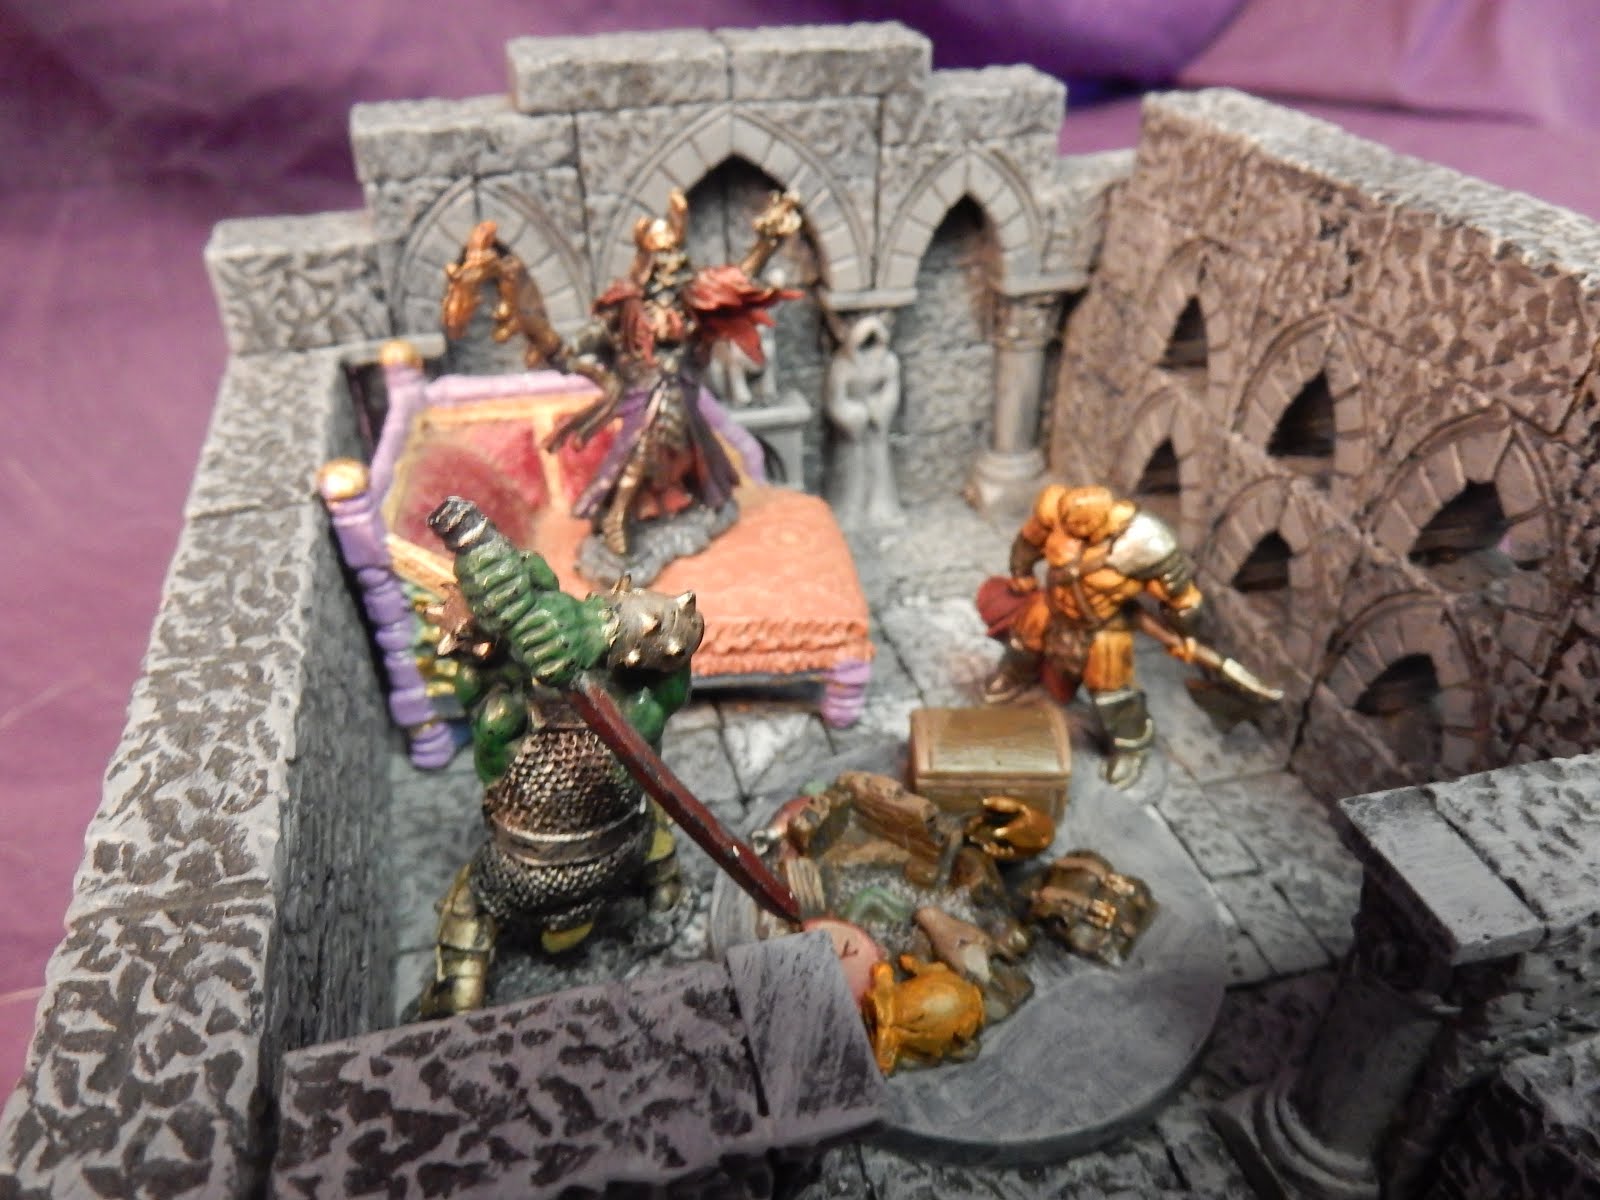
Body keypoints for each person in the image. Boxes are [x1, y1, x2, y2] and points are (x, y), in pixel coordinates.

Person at [979, 484, 1204, 787]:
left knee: (1111, 690)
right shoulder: (1054, 512)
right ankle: (1014, 678)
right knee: (1024, 638)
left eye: (1082, 525)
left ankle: (1131, 745)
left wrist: (1185, 634)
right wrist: (1022, 572)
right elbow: (1029, 540)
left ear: (1101, 519)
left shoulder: (1146, 543)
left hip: (1102, 625)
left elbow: (1181, 598)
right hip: (1054, 606)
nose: (1073, 530)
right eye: (1069, 524)